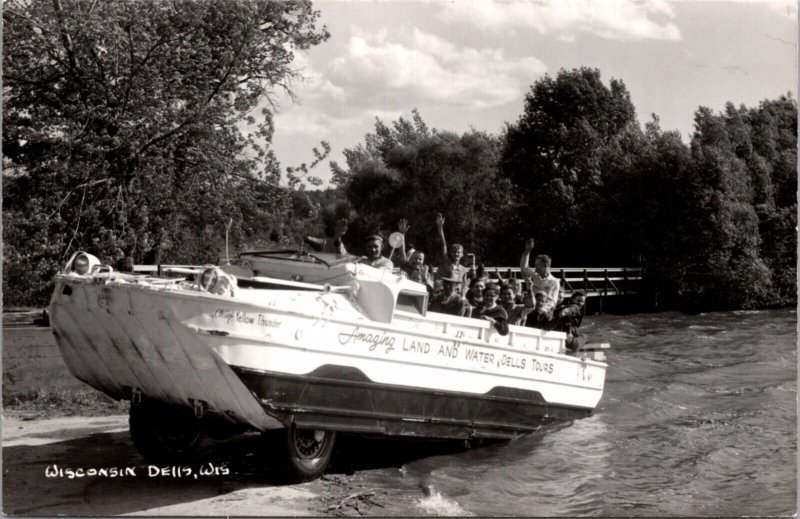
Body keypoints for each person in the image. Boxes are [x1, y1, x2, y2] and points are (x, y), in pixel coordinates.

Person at [519, 238, 560, 318]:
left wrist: (541, 311)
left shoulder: (554, 281)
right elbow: (524, 268)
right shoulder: (534, 275)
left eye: (538, 265)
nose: (535, 267)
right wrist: (527, 251)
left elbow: (553, 301)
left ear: (546, 266)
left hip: (543, 312)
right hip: (530, 309)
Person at [434, 213, 472, 293]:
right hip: (444, 293)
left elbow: (463, 285)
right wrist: (440, 227)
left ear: (462, 254)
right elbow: (443, 244)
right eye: (454, 252)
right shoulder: (446, 262)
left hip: (456, 296)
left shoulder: (463, 269)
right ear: (450, 253)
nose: (456, 254)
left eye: (458, 252)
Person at [396, 218, 433, 290]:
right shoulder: (407, 267)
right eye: (415, 258)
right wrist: (402, 234)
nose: (417, 261)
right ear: (411, 258)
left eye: (420, 259)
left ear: (423, 260)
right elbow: (402, 252)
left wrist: (425, 276)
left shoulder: (426, 271)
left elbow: (431, 289)